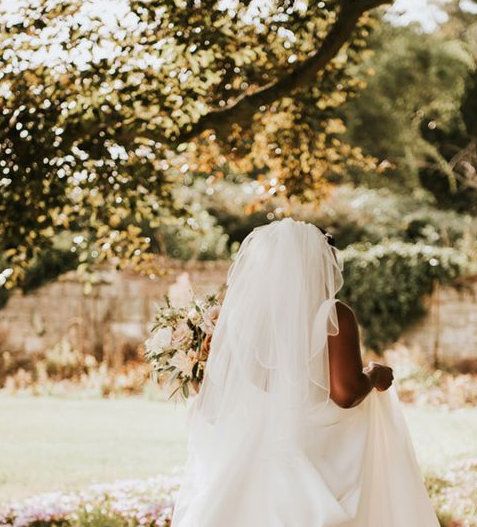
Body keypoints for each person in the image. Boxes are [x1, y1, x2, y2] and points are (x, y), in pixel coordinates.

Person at [172, 217, 440, 526]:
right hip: (307, 453)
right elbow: (346, 393)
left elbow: (212, 397)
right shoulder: (332, 314)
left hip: (248, 452)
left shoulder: (238, 320)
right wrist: (376, 374)